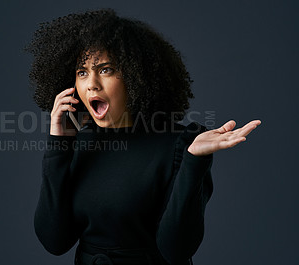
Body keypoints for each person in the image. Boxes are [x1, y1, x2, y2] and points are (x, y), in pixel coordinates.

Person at [25, 8, 261, 265]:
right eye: (82, 72)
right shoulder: (80, 143)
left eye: (105, 70)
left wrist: (194, 161)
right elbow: (54, 241)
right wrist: (58, 143)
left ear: (136, 76)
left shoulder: (178, 145)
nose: (91, 83)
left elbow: (176, 250)